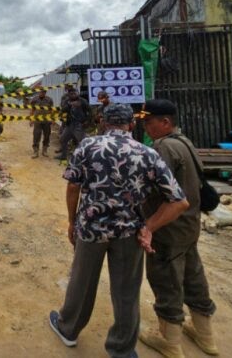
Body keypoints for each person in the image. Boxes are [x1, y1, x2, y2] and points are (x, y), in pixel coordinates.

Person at [49, 103, 189, 358]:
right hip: (129, 233)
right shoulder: (148, 153)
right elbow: (179, 202)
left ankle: (68, 329)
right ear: (132, 124)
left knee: (81, 281)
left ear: (102, 121)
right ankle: (122, 349)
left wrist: (72, 221)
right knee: (126, 290)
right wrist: (148, 227)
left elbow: (73, 188)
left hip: (91, 229)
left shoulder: (88, 146)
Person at [138, 99, 218, 357]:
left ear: (165, 122)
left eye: (149, 122)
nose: (146, 127)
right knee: (193, 276)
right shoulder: (185, 142)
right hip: (189, 224)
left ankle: (169, 339)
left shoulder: (163, 148)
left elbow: (154, 188)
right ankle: (205, 335)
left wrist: (147, 223)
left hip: (168, 226)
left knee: (166, 278)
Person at [56, 87, 92, 160]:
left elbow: (90, 112)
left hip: (79, 125)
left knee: (83, 142)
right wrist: (70, 105)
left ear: (77, 93)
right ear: (68, 94)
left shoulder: (83, 101)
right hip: (69, 124)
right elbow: (63, 110)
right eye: (71, 94)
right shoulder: (67, 101)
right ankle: (63, 156)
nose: (73, 95)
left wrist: (87, 121)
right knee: (63, 139)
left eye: (74, 93)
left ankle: (86, 157)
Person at [29, 86, 54, 158]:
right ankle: (35, 151)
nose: (41, 93)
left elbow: (51, 110)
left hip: (46, 121)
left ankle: (44, 150)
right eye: (40, 92)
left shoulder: (49, 100)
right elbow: (32, 110)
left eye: (43, 92)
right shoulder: (34, 99)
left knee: (47, 135)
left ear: (45, 92)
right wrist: (31, 119)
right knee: (36, 135)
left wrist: (52, 119)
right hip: (37, 120)